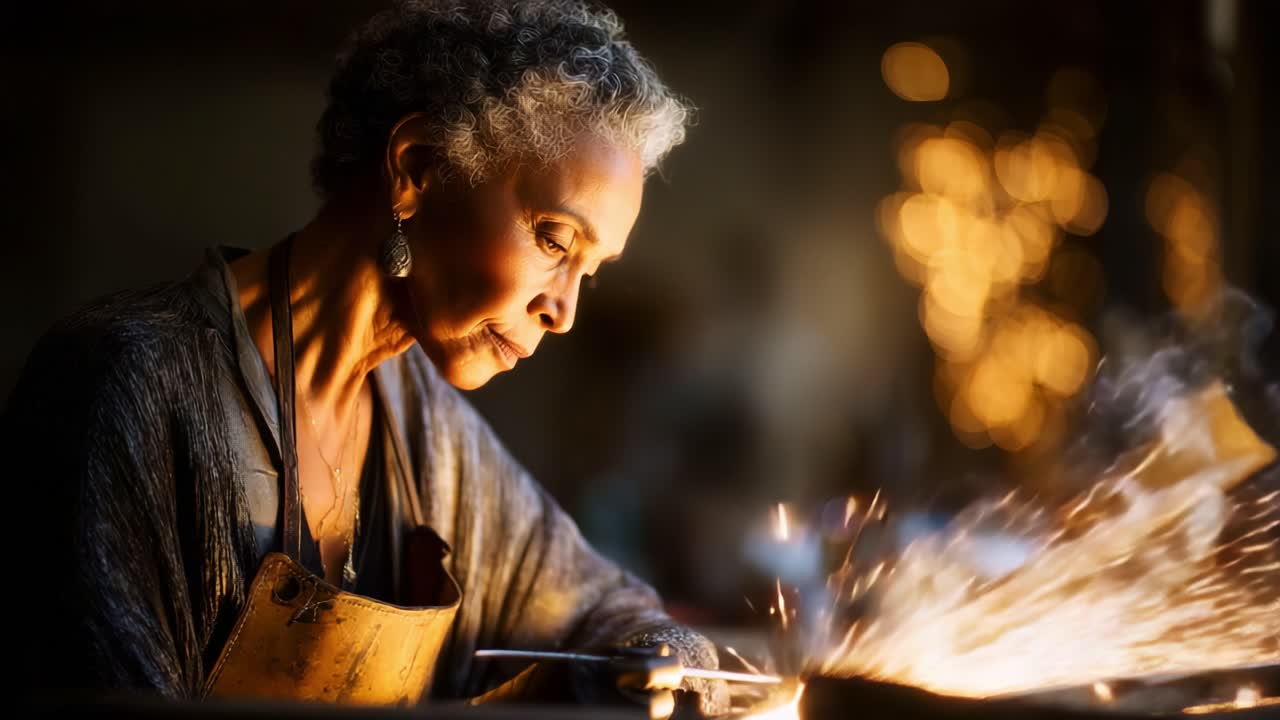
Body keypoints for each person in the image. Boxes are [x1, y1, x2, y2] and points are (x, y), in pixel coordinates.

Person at [3, 0, 729, 714]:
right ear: (417, 169)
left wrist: (667, 652)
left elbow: (601, 609)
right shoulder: (124, 382)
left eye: (590, 271)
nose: (563, 312)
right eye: (553, 240)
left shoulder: (431, 436)